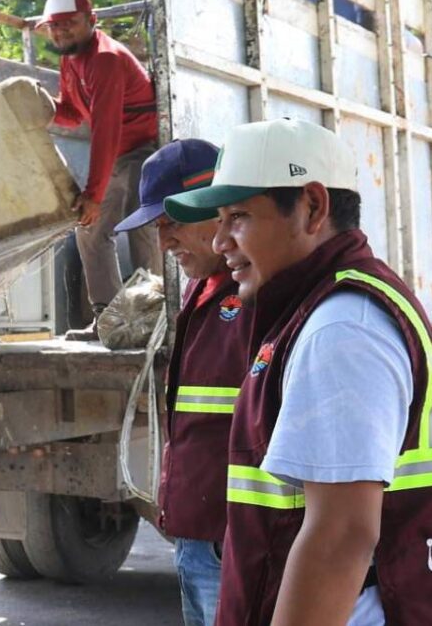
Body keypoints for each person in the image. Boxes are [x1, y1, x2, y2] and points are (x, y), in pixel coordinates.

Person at [164, 119, 432, 625]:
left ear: (313, 207)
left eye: (238, 217)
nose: (220, 242)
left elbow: (340, 537)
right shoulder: (326, 308)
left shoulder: (340, 328)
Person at [114, 139, 247, 626]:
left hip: (232, 543)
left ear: (219, 209)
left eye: (173, 222)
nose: (164, 241)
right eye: (157, 227)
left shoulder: (259, 294)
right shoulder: (199, 289)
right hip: (198, 538)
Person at [40, 0, 163, 333]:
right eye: (55, 25)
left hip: (143, 150)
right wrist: (40, 105)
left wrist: (93, 195)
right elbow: (72, 113)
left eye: (70, 23)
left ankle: (153, 318)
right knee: (90, 229)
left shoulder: (105, 59)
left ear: (91, 20)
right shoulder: (70, 57)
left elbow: (106, 129)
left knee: (142, 227)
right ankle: (109, 321)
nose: (61, 31)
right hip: (117, 152)